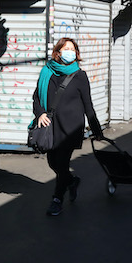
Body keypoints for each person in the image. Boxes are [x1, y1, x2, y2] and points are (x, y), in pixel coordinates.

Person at [32, 37, 104, 216]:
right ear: (58, 52)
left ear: (76, 54)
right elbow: (36, 98)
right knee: (53, 162)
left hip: (71, 129)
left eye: (72, 49)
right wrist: (40, 113)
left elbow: (88, 106)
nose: (69, 52)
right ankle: (72, 182)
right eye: (65, 49)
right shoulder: (46, 73)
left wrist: (96, 130)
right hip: (51, 127)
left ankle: (57, 199)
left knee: (62, 164)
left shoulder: (80, 76)